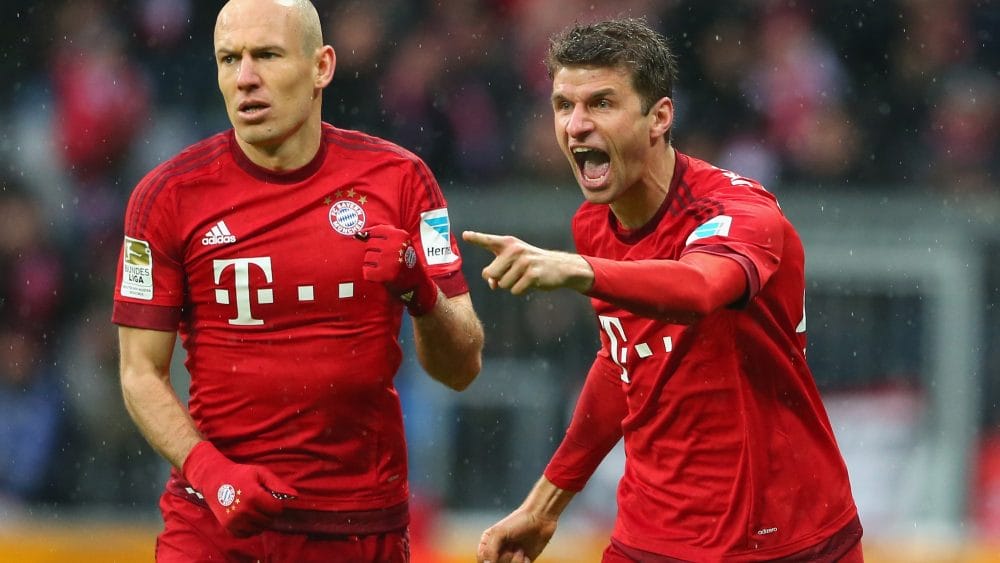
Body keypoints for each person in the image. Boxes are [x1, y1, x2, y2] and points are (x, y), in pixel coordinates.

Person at [465, 17, 862, 563]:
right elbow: (623, 360)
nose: (576, 125)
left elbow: (698, 287)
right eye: (564, 105)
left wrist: (580, 270)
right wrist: (545, 504)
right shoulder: (593, 226)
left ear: (659, 117)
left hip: (786, 538)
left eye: (601, 103)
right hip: (653, 539)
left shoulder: (741, 213)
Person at [112, 1, 484, 561]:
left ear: (322, 67)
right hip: (215, 521)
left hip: (358, 527)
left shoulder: (401, 181)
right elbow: (139, 371)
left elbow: (462, 368)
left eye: (266, 55)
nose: (245, 79)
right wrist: (209, 471)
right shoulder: (167, 197)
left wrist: (421, 293)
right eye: (228, 59)